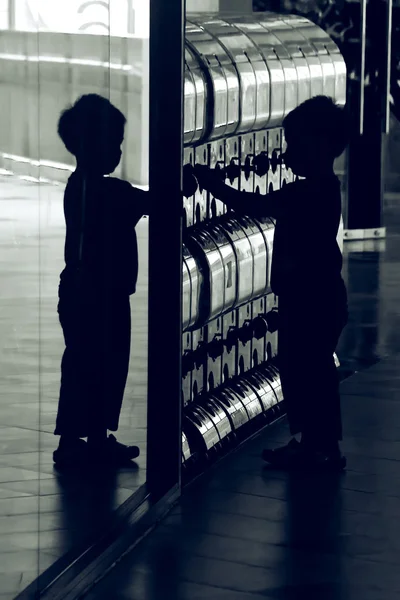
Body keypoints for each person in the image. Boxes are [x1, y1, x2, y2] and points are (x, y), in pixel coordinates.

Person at [195, 96, 349, 471]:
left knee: (310, 372)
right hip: (315, 298)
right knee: (305, 370)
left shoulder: (310, 192)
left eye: (296, 144)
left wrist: (211, 181)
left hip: (313, 300)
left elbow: (254, 206)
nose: (287, 152)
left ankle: (322, 448)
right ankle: (312, 442)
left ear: (323, 146)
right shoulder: (322, 188)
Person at [53, 94, 150, 468]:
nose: (119, 151)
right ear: (91, 146)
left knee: (85, 365)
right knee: (102, 366)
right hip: (100, 294)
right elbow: (155, 202)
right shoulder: (107, 191)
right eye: (114, 143)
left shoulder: (78, 186)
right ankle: (85, 441)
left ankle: (84, 439)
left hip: (83, 290)